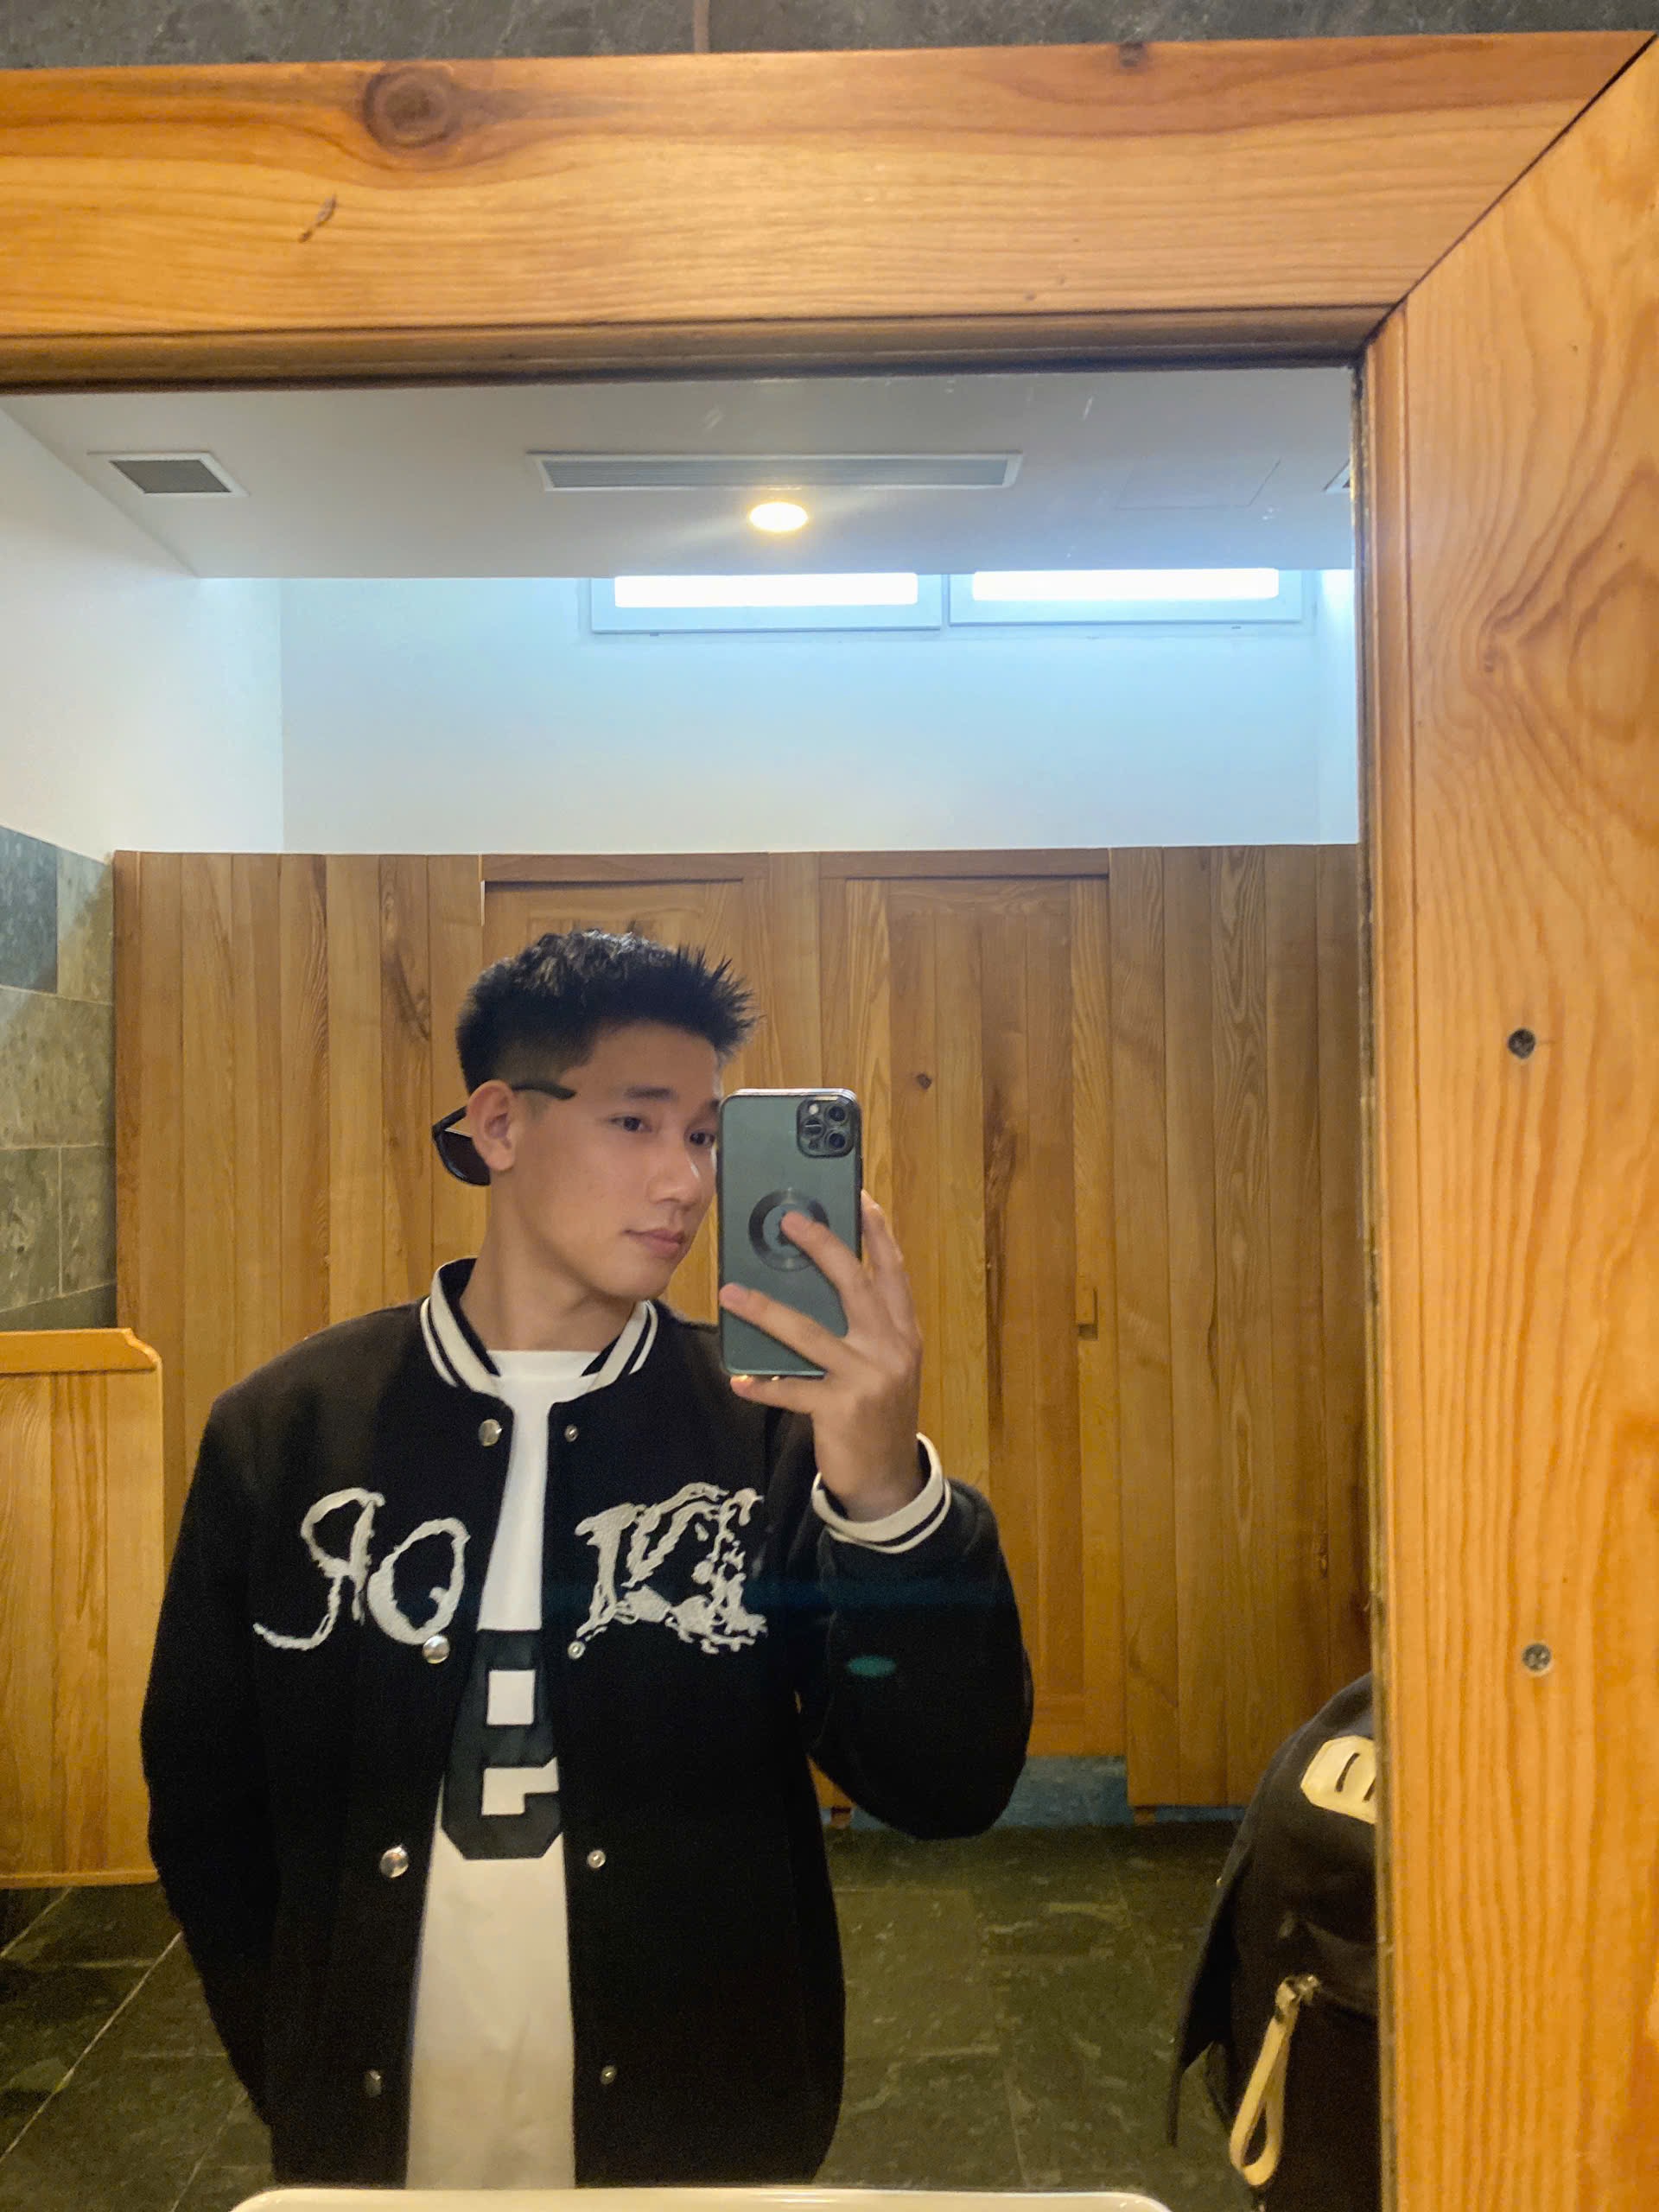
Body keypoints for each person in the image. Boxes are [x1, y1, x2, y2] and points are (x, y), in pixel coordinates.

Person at [142, 926, 1032, 2190]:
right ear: (499, 1124)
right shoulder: (289, 1433)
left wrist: (886, 1495)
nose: (686, 1181)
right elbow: (204, 1801)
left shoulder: (765, 1436)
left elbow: (946, 1782)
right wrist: (299, 2060)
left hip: (706, 2141)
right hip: (376, 2143)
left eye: (706, 1136)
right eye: (635, 1123)